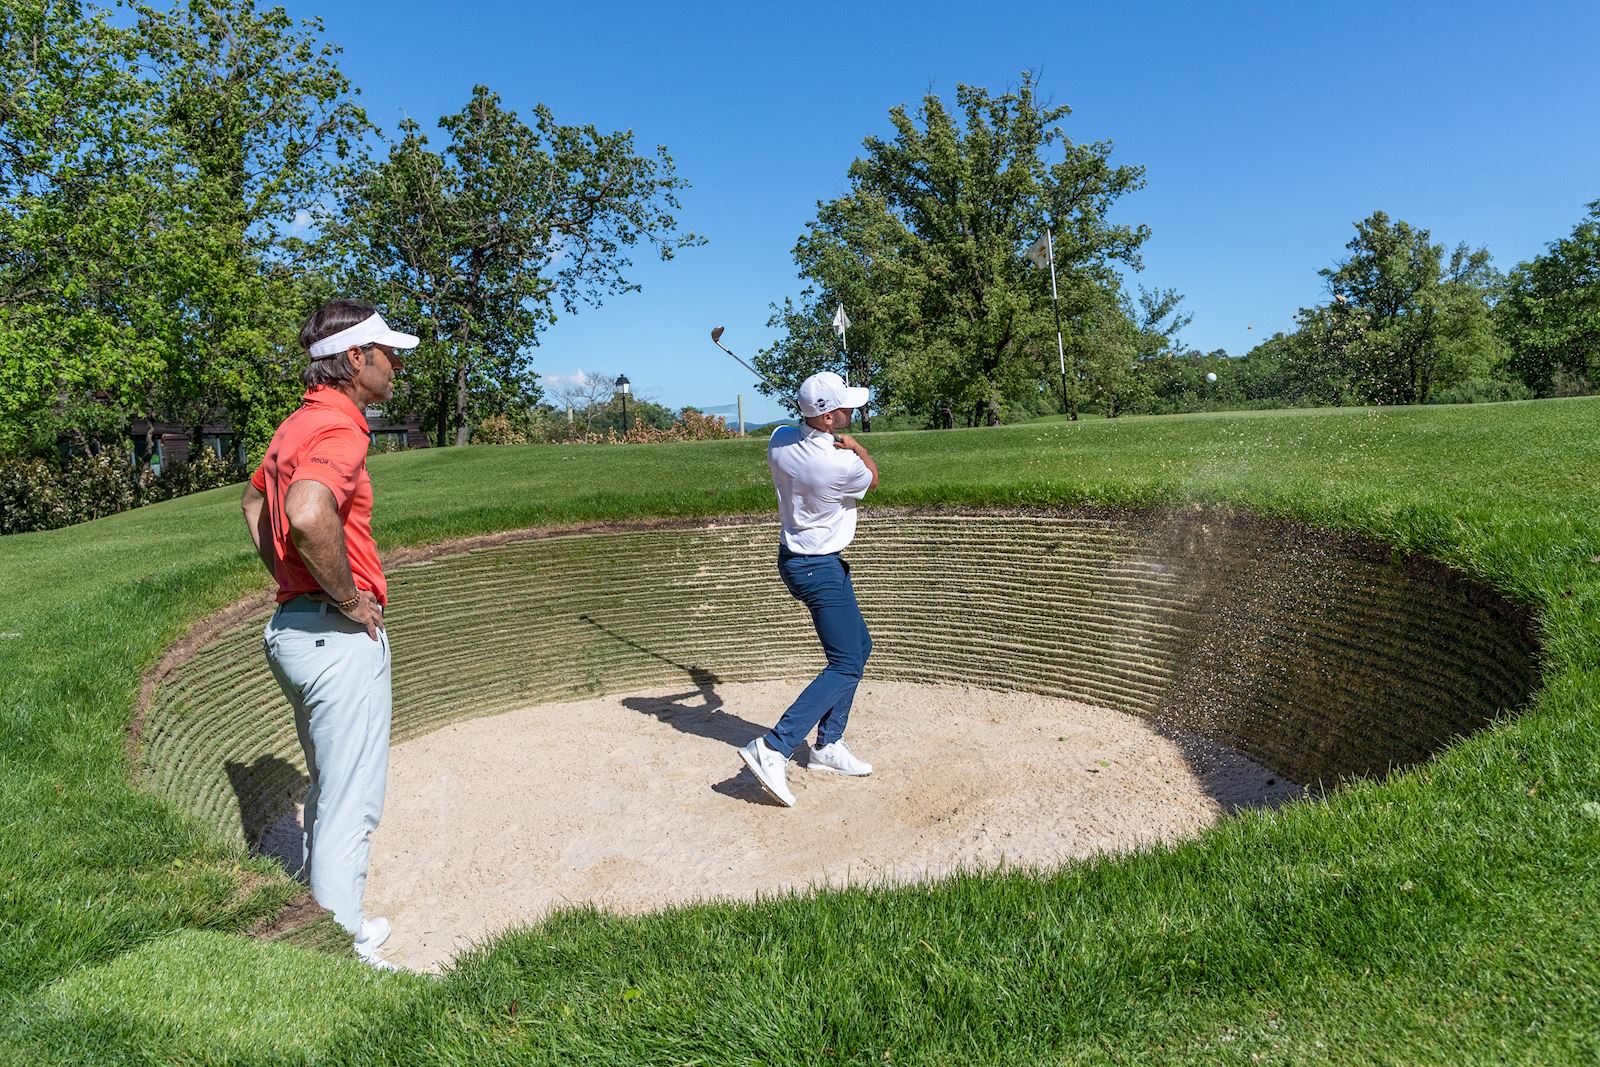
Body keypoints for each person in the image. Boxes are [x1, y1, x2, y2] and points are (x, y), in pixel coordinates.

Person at [241, 299, 416, 970]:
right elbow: (307, 510)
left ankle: (332, 922)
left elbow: (256, 502)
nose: (396, 365)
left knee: (327, 787)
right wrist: (345, 598)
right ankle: (336, 961)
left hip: (293, 630)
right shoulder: (341, 428)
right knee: (351, 806)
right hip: (334, 640)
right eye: (387, 354)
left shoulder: (299, 422)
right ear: (354, 360)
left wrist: (292, 579)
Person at [739, 371, 880, 807]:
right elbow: (873, 479)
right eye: (846, 406)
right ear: (828, 415)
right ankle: (775, 747)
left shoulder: (779, 439)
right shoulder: (840, 463)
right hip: (819, 567)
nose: (853, 410)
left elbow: (795, 430)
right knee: (844, 663)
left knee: (860, 647)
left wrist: (818, 426)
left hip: (797, 559)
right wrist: (857, 447)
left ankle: (826, 746)